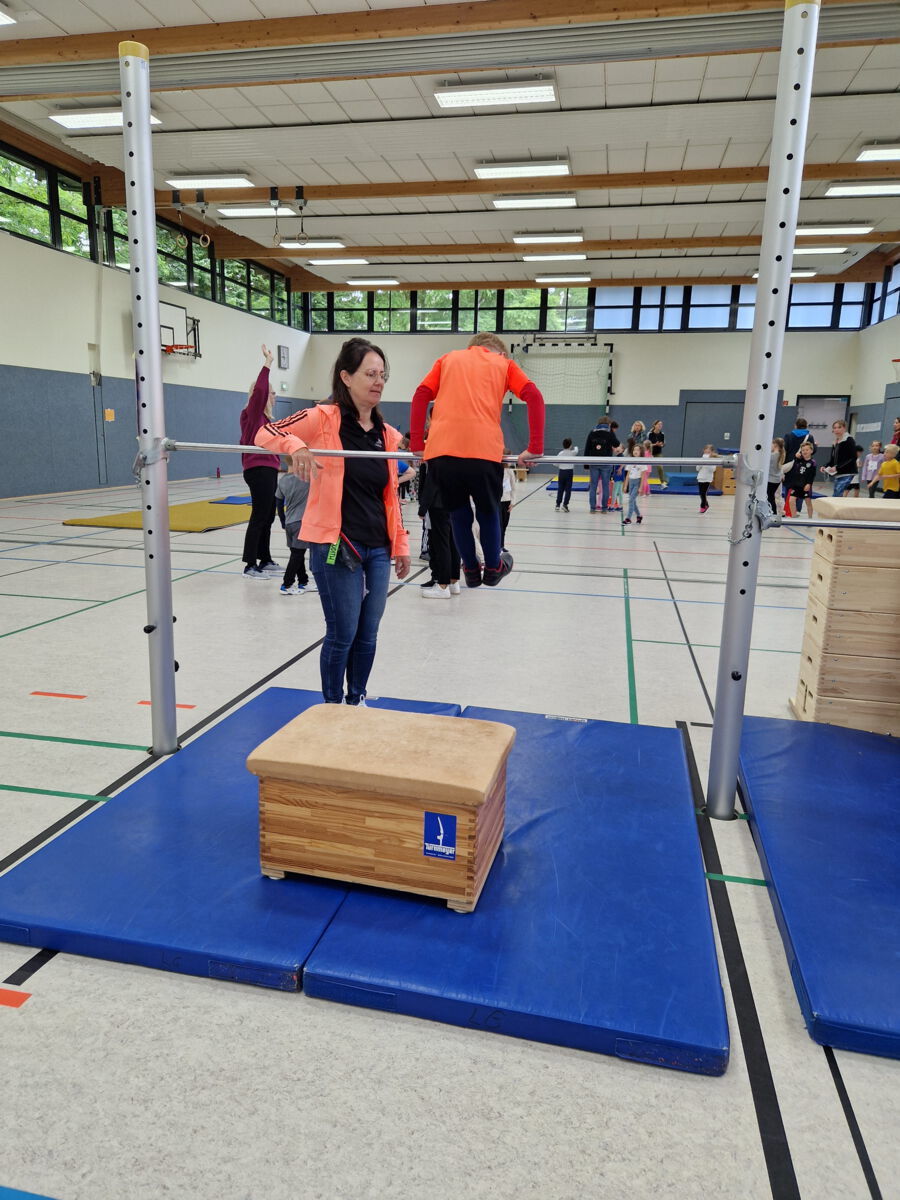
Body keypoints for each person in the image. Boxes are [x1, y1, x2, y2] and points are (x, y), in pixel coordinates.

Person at [255, 337, 411, 705]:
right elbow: (266, 432)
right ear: (346, 377)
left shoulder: (387, 435)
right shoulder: (322, 418)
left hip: (378, 549)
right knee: (343, 633)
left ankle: (356, 699)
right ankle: (332, 706)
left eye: (383, 375)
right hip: (335, 546)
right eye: (370, 374)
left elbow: (391, 497)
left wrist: (401, 543)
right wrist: (297, 445)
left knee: (368, 633)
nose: (378, 382)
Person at [409, 332, 544, 588]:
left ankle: (470, 570)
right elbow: (533, 396)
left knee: (458, 513)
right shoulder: (503, 363)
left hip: (442, 452)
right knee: (487, 511)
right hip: (483, 451)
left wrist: (417, 443)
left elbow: (421, 394)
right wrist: (534, 447)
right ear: (499, 352)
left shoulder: (447, 359)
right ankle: (493, 567)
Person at [240, 344, 282, 580]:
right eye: (272, 393)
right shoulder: (252, 414)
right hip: (258, 469)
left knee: (268, 516)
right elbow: (260, 391)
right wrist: (268, 363)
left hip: (269, 470)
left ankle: (264, 559)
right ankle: (250, 564)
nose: (274, 396)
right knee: (259, 515)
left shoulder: (267, 421)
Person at [416, 459, 460, 600]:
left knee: (442, 545)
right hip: (454, 503)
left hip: (439, 505)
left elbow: (431, 484)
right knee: (452, 543)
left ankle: (442, 585)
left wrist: (422, 508)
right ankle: (453, 581)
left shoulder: (437, 458)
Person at [275, 461, 313, 596]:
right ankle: (286, 584)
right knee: (297, 554)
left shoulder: (282, 480)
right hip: (300, 522)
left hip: (289, 523)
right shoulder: (307, 478)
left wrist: (283, 521)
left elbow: (279, 503)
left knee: (298, 553)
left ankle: (303, 582)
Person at [583, 415, 620, 513]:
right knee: (605, 486)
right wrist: (612, 433)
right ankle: (604, 508)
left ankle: (592, 508)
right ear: (609, 424)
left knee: (593, 486)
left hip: (593, 462)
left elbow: (587, 448)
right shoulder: (609, 432)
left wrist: (586, 464)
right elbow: (616, 444)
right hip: (606, 463)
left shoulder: (592, 432)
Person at [821, 420, 861, 497]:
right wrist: (825, 466)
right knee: (837, 494)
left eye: (839, 427)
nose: (836, 430)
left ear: (844, 428)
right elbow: (833, 459)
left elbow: (853, 457)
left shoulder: (849, 440)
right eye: (835, 428)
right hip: (839, 473)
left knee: (837, 494)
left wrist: (837, 467)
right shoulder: (835, 442)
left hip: (847, 472)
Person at [782, 441, 816, 517]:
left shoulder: (812, 462)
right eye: (803, 450)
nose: (805, 451)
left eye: (807, 450)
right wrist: (795, 457)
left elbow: (812, 475)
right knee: (791, 501)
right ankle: (794, 517)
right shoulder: (799, 460)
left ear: (811, 451)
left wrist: (809, 484)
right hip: (796, 485)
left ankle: (810, 518)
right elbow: (794, 464)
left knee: (808, 503)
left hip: (805, 486)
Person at [623, 438, 649, 525]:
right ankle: (639, 516)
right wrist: (625, 485)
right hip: (631, 482)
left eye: (637, 450)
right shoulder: (630, 461)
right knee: (633, 501)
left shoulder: (642, 462)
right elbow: (627, 475)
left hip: (637, 483)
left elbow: (643, 476)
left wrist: (641, 487)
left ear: (641, 452)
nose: (635, 451)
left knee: (631, 500)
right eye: (634, 450)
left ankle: (628, 518)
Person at [555, 437, 578, 511]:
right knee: (568, 489)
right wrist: (575, 447)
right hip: (569, 473)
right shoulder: (572, 453)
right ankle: (565, 504)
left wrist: (561, 465)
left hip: (561, 472)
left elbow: (555, 463)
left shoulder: (560, 453)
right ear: (570, 445)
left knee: (560, 488)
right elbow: (576, 450)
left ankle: (558, 505)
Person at [500, 454, 516, 550]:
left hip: (507, 502)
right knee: (499, 526)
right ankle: (497, 546)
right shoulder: (496, 469)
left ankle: (501, 545)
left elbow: (513, 488)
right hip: (497, 501)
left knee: (504, 525)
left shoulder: (510, 471)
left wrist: (512, 502)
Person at [767, 438, 785, 514]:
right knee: (771, 497)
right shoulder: (780, 454)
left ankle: (773, 513)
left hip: (771, 480)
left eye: (771, 444)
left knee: (770, 497)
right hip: (777, 480)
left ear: (775, 445)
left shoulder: (772, 455)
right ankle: (773, 512)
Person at [697, 444, 716, 513]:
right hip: (701, 477)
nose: (706, 454)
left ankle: (702, 506)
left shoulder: (713, 460)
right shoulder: (702, 458)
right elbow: (697, 468)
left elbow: (713, 470)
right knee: (700, 493)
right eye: (705, 452)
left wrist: (707, 462)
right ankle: (706, 504)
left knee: (703, 493)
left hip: (707, 478)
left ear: (712, 452)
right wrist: (702, 462)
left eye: (708, 452)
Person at [648, 420, 667, 487]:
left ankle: (662, 482)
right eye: (658, 424)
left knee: (660, 468)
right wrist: (655, 444)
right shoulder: (650, 434)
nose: (660, 425)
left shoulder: (662, 434)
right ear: (654, 425)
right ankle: (642, 481)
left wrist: (661, 445)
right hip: (649, 452)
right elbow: (647, 444)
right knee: (646, 468)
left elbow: (663, 444)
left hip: (658, 453)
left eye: (661, 424)